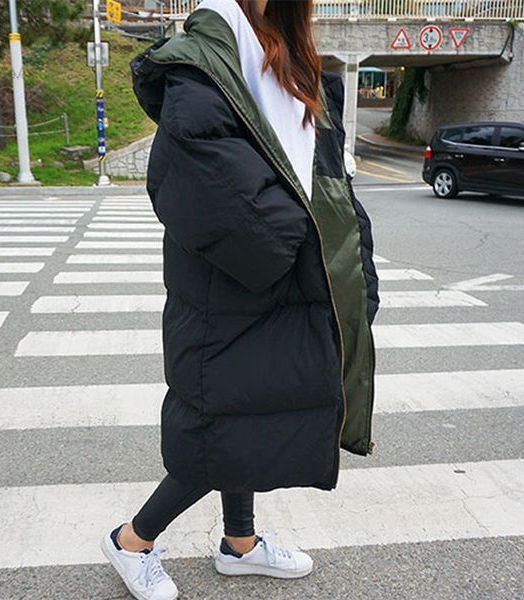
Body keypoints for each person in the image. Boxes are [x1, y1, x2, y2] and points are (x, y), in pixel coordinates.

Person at [101, 1, 379, 598]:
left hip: (283, 283)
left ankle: (240, 543)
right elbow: (204, 173)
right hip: (231, 287)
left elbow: (328, 180)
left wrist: (353, 269)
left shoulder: (284, 54)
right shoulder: (205, 59)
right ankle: (132, 540)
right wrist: (299, 240)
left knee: (246, 413)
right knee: (216, 430)